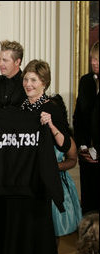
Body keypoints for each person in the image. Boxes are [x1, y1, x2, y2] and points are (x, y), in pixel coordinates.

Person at [0, 59, 71, 254]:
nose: (28, 84)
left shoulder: (51, 108)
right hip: (16, 180)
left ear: (44, 83)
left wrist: (50, 125)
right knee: (16, 228)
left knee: (37, 229)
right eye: (26, 79)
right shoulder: (20, 107)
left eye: (33, 80)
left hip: (37, 181)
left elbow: (65, 145)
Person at [50, 95, 82, 244]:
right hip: (36, 182)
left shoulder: (66, 136)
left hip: (58, 183)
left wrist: (54, 167)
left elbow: (72, 160)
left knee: (54, 227)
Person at [73, 41, 99, 215]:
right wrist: (82, 146)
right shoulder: (85, 81)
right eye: (92, 59)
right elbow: (79, 117)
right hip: (86, 154)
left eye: (98, 59)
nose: (93, 63)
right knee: (89, 203)